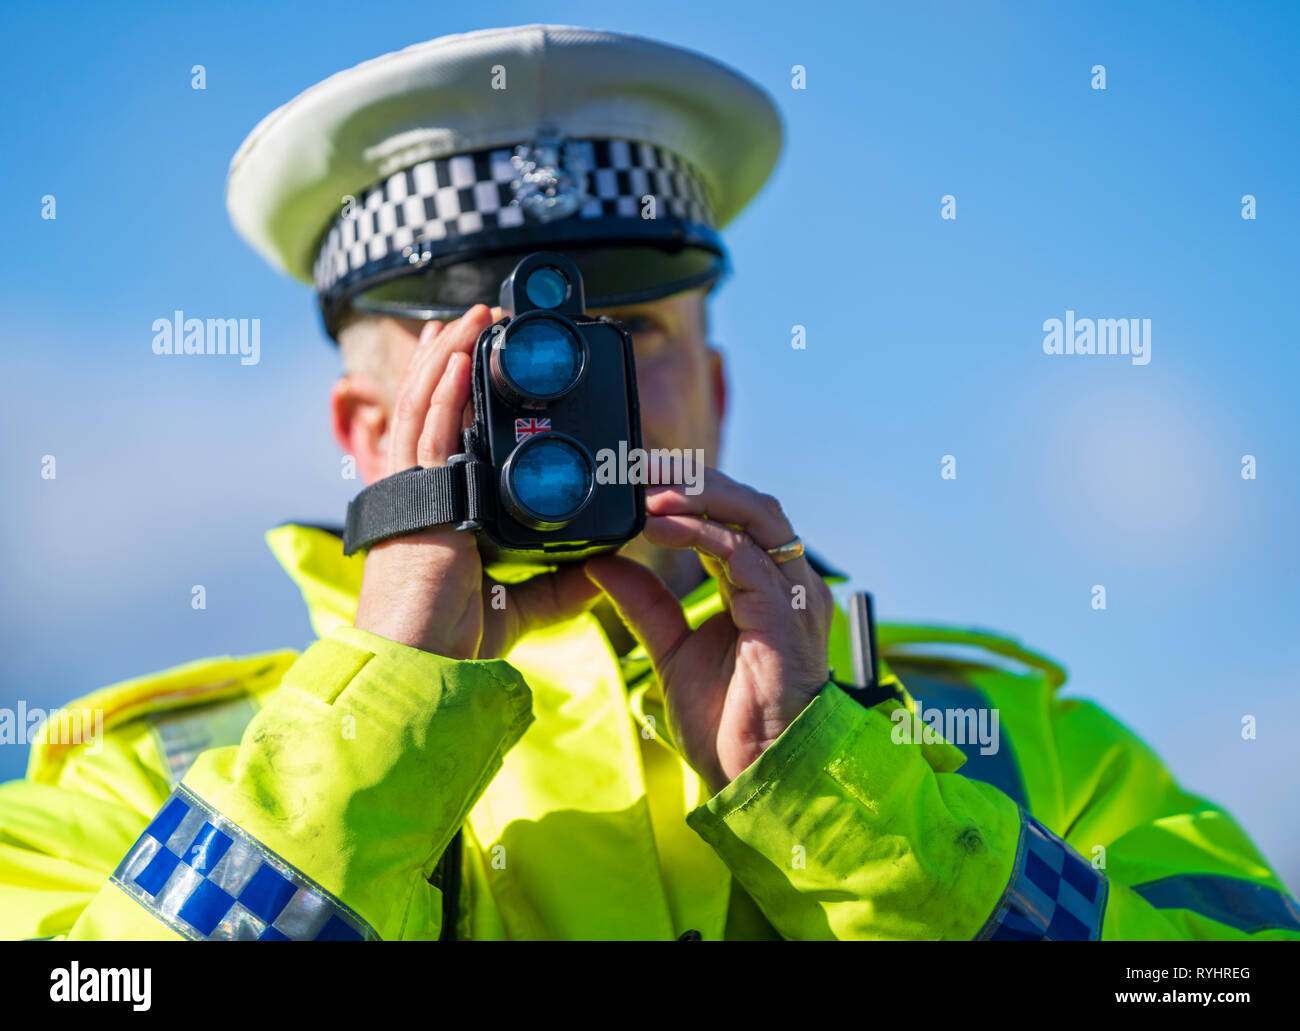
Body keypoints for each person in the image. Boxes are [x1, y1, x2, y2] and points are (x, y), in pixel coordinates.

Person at [2, 24, 1296, 942]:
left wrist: (844, 796)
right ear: (365, 431)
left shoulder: (1014, 752)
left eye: (633, 349)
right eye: (499, 361)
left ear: (716, 394)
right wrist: (370, 722)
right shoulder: (118, 782)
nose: (567, 406)